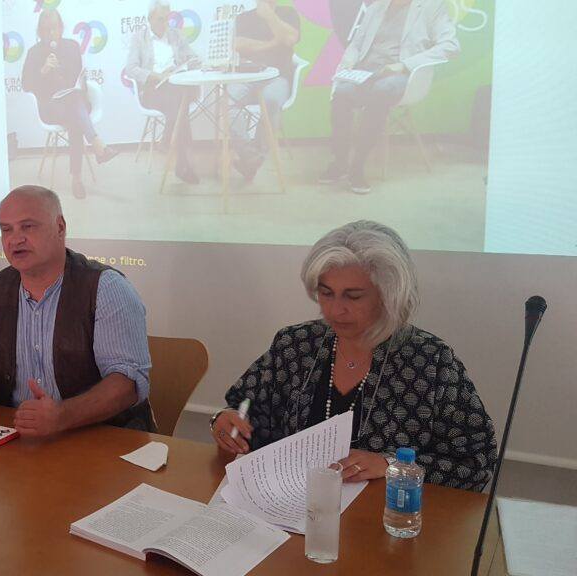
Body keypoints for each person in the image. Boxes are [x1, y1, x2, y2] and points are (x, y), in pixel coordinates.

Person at [211, 221, 496, 491]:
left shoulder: (430, 361)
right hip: (292, 505)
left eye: (354, 296)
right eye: (326, 293)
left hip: (385, 514)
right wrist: (226, 418)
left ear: (388, 295)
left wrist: (391, 465)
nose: (336, 310)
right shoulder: (295, 344)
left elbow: (477, 461)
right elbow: (246, 406)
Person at [0, 185, 153, 438]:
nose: (15, 239)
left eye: (28, 227)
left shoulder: (106, 288)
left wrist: (62, 415)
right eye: (7, 229)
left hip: (99, 438)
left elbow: (127, 383)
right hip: (15, 436)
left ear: (60, 227)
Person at [320, 0, 459, 194]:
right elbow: (357, 44)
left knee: (381, 91)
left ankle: (357, 166)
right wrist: (348, 63)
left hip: (402, 75)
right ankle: (340, 161)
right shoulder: (377, 7)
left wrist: (404, 65)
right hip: (367, 72)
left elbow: (451, 46)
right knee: (342, 93)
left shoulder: (431, 7)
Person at [21, 8, 118, 200]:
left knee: (74, 113)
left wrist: (69, 74)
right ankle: (95, 149)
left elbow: (78, 79)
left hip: (75, 102)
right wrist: (43, 70)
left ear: (61, 28)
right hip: (50, 106)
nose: (51, 33)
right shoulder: (34, 53)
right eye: (46, 29)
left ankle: (78, 177)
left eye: (54, 28)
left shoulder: (72, 47)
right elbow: (26, 84)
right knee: (76, 117)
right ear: (40, 31)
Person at [126, 0, 201, 184]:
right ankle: (182, 163)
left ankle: (169, 141)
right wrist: (157, 76)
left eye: (167, 18)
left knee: (179, 98)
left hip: (177, 86)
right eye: (161, 19)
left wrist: (181, 68)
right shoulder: (139, 38)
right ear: (150, 18)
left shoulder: (176, 35)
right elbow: (131, 69)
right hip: (153, 90)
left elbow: (193, 58)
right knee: (180, 103)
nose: (165, 23)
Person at [227, 0, 301, 182]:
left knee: (272, 100)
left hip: (278, 76)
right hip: (246, 77)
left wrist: (269, 16)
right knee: (228, 100)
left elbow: (290, 39)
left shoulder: (288, 13)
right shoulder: (243, 18)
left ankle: (253, 156)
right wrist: (273, 42)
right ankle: (250, 154)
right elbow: (239, 44)